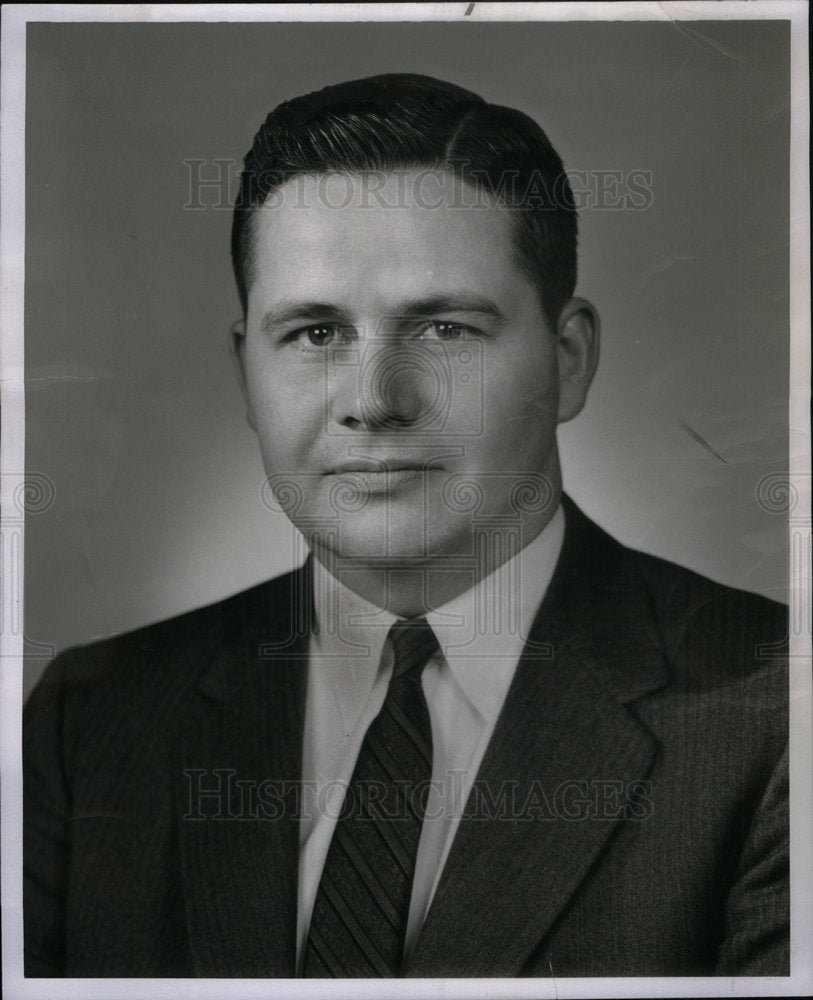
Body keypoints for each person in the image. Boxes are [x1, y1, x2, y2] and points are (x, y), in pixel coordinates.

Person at [24, 73, 788, 978]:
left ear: (569, 359)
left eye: (444, 330)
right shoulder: (92, 721)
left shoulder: (778, 715)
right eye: (314, 333)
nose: (373, 402)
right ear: (246, 374)